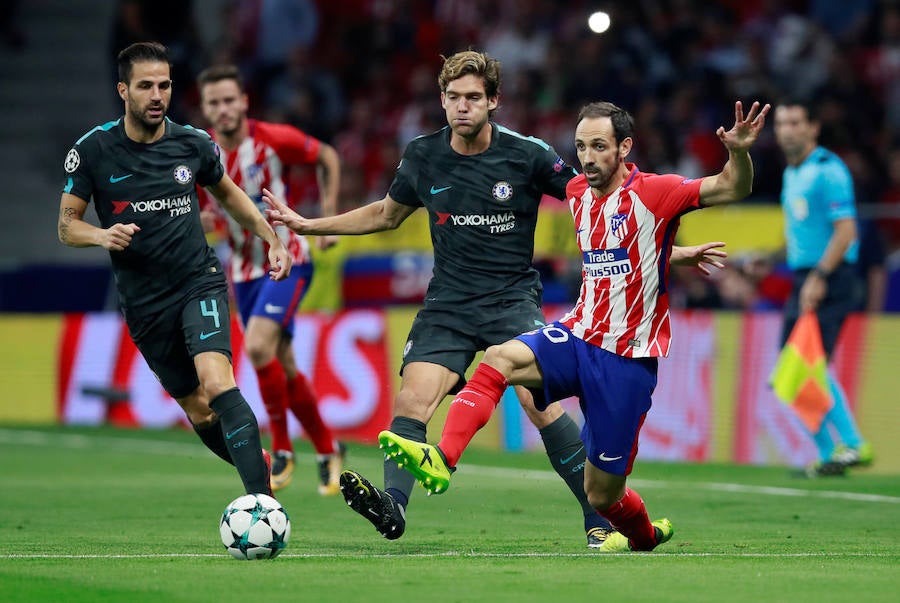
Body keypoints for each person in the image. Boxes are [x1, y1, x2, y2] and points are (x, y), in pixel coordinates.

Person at [264, 50, 725, 547]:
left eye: (473, 97)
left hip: (511, 298)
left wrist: (667, 252)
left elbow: (602, 206)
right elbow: (385, 215)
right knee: (413, 398)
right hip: (448, 304)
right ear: (442, 101)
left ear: (493, 102)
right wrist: (308, 224)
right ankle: (393, 507)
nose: (462, 106)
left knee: (538, 404)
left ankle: (597, 520)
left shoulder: (528, 154)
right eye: (453, 97)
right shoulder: (422, 155)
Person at [377, 99, 771, 553]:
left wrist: (738, 152)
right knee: (501, 357)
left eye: (599, 146)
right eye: (581, 146)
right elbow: (624, 247)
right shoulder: (577, 192)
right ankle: (442, 459)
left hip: (626, 362)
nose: (587, 157)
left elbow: (731, 186)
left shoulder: (657, 191)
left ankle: (645, 536)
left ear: (624, 147)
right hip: (578, 335)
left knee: (602, 494)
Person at [57, 42, 291, 497]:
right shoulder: (93, 150)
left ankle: (261, 504)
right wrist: (101, 235)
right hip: (144, 302)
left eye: (164, 85)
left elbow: (228, 193)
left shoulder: (192, 143)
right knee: (199, 410)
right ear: (123, 90)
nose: (157, 95)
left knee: (217, 382)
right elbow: (67, 226)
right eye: (145, 86)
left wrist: (271, 237)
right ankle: (256, 463)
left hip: (197, 282)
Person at [196, 64, 346, 494]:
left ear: (244, 101)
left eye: (230, 100)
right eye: (214, 103)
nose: (224, 109)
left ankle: (281, 448)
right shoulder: (201, 151)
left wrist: (328, 218)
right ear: (205, 109)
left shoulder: (273, 139)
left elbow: (327, 156)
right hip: (244, 271)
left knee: (259, 346)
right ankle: (328, 449)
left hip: (289, 257)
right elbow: (208, 208)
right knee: (284, 362)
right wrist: (207, 221)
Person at [772, 98, 873, 477]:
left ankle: (853, 444)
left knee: (806, 364)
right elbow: (803, 235)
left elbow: (846, 232)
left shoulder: (829, 170)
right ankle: (831, 453)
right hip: (807, 275)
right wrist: (770, 259)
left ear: (813, 127)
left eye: (795, 122)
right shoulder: (792, 173)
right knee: (795, 366)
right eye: (782, 123)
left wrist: (818, 277)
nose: (787, 131)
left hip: (831, 277)